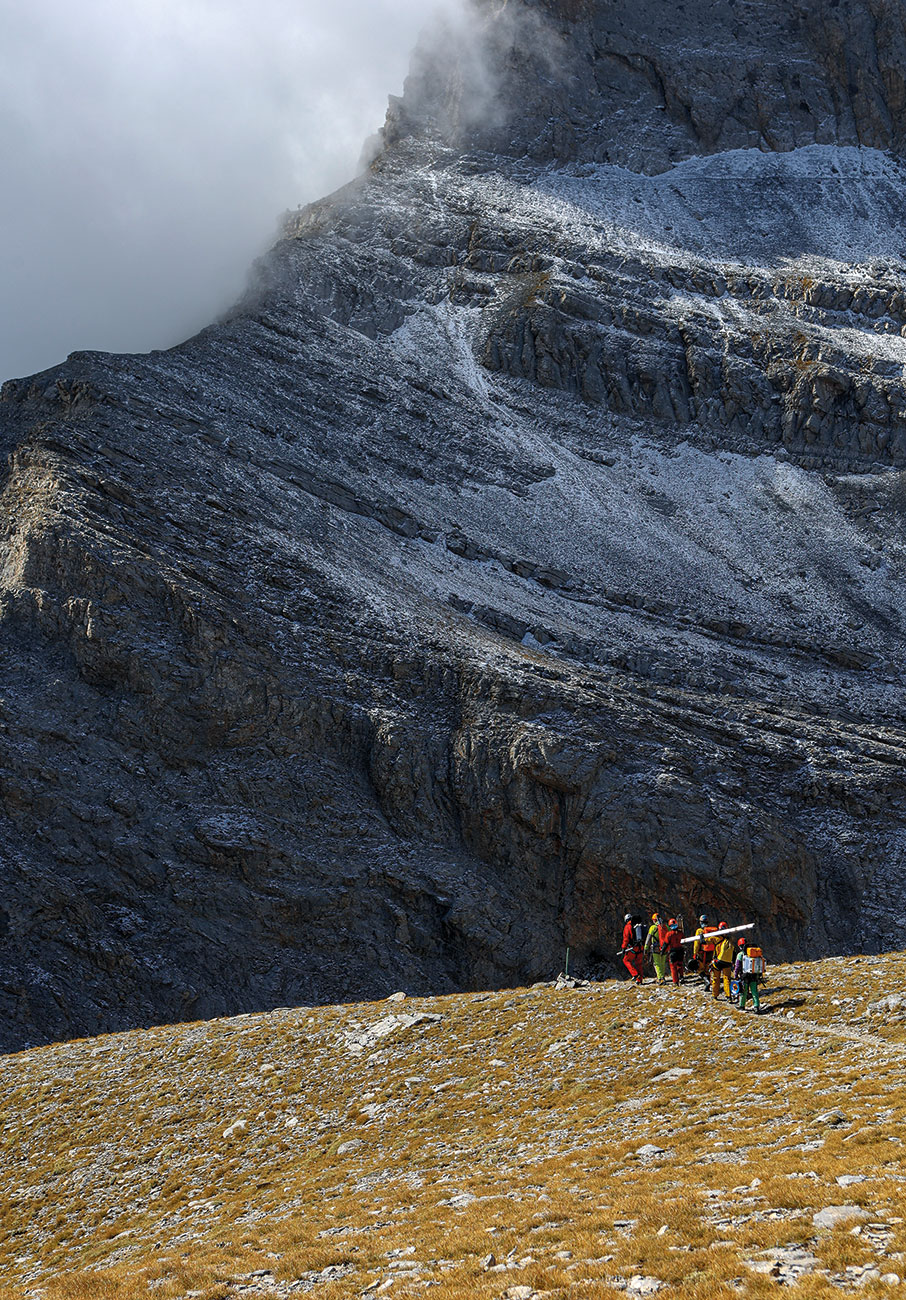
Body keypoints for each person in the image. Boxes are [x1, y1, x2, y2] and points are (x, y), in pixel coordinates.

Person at [733, 937, 765, 1013]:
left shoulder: (740, 954)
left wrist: (736, 975)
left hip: (744, 976)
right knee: (754, 992)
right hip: (754, 976)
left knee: (743, 992)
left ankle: (742, 1005)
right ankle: (756, 1007)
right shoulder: (754, 954)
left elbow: (737, 966)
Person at [711, 922, 735, 999]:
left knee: (716, 978)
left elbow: (705, 941)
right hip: (727, 962)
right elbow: (733, 952)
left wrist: (701, 938)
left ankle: (715, 995)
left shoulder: (716, 938)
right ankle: (728, 995)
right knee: (727, 979)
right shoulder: (730, 939)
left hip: (718, 961)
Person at [693, 915, 717, 985]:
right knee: (707, 969)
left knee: (700, 969)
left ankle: (707, 982)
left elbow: (696, 943)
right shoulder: (712, 930)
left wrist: (695, 953)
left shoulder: (699, 931)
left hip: (702, 953)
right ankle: (708, 985)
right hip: (711, 952)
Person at [645, 913, 668, 985]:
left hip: (656, 948)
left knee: (657, 964)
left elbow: (648, 938)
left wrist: (646, 947)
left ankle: (660, 978)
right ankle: (663, 977)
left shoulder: (653, 928)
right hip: (665, 947)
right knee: (663, 963)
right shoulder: (665, 926)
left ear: (654, 920)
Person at [620, 913, 644, 984]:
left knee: (626, 960)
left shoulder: (628, 926)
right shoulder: (638, 925)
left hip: (633, 948)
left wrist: (623, 948)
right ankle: (640, 980)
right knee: (639, 964)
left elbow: (626, 938)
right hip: (640, 947)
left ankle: (635, 975)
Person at [663, 918, 684, 984]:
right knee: (680, 964)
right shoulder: (681, 933)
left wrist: (662, 951)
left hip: (673, 952)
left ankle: (675, 981)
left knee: (673, 967)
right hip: (680, 951)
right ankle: (681, 977)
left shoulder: (669, 934)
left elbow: (665, 944)